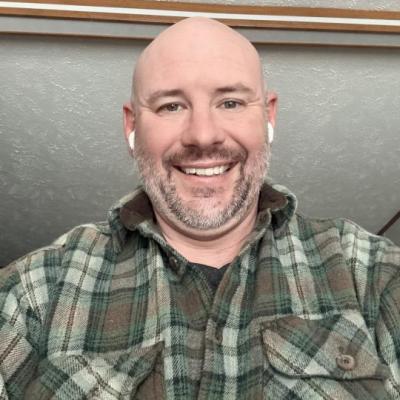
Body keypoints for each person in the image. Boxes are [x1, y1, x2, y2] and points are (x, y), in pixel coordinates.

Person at [0, 17, 399, 400]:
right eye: (171, 106)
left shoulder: (372, 273)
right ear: (132, 127)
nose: (203, 135)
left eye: (231, 102)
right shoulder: (33, 292)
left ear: (268, 115)